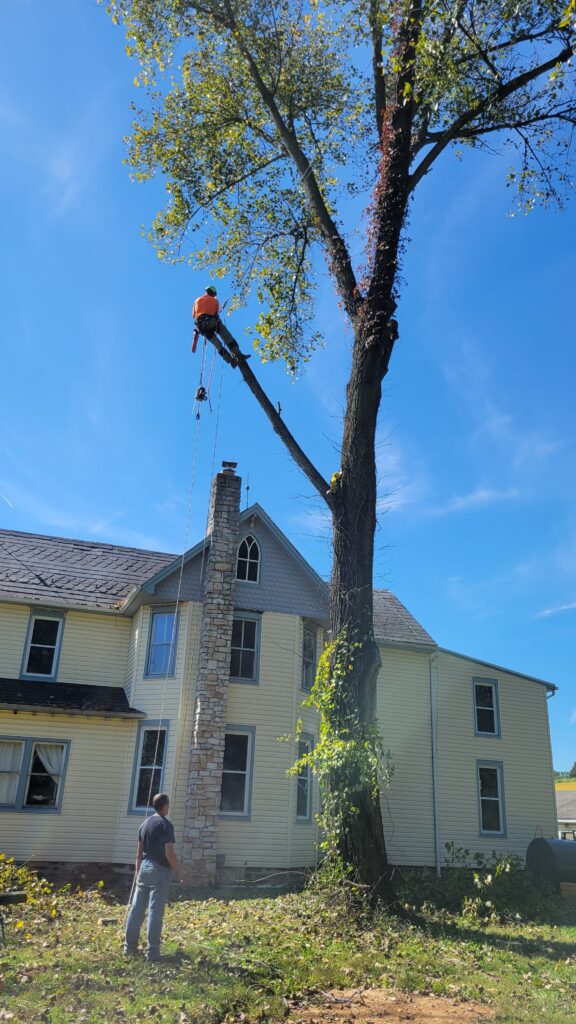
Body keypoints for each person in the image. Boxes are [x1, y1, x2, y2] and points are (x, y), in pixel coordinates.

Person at [124, 792, 186, 962]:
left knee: (136, 910)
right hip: (159, 870)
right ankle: (153, 953)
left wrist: (138, 872)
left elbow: (138, 854)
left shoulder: (144, 824)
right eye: (168, 804)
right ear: (165, 805)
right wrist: (179, 871)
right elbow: (169, 853)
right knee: (155, 912)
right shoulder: (165, 825)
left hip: (143, 868)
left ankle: (128, 948)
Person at [192, 285, 251, 363]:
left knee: (217, 344)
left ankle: (230, 361)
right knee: (226, 336)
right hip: (212, 321)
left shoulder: (197, 300)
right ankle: (238, 354)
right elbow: (216, 313)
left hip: (201, 326)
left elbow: (194, 315)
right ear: (213, 293)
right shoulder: (215, 300)